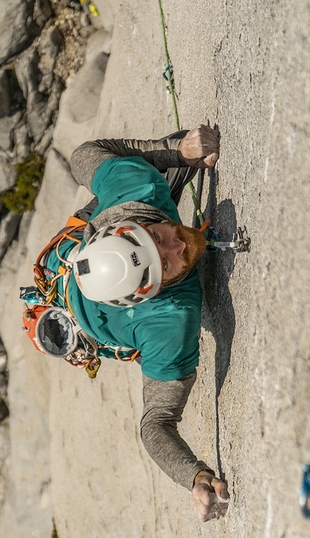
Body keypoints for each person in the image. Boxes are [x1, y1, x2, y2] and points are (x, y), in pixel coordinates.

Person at [32, 124, 230, 522]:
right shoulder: (168, 321)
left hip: (77, 252)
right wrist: (194, 475)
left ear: (130, 227)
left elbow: (84, 154)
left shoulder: (136, 189)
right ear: (148, 293)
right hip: (87, 307)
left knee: (174, 149)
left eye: (157, 236)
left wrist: (176, 151)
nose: (177, 243)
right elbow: (155, 423)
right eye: (169, 263)